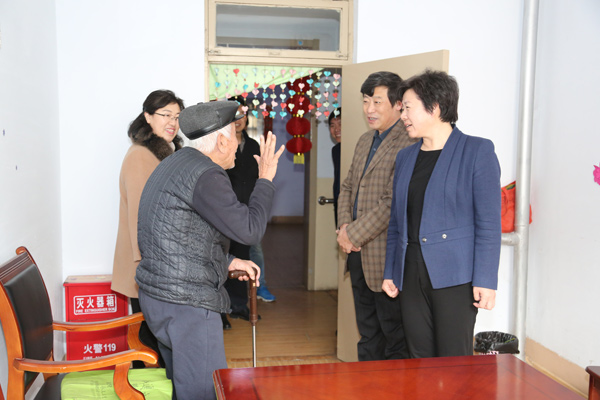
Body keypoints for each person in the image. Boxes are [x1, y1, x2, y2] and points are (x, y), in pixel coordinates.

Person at [136, 100, 284, 400]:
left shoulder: (177, 162)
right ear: (221, 141)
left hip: (160, 298)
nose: (237, 146)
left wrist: (228, 261)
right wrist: (266, 178)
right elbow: (249, 230)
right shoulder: (207, 174)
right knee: (203, 393)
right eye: (234, 137)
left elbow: (179, 234)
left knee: (185, 388)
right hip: (187, 304)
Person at [382, 70, 501, 358]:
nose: (402, 116)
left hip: (455, 276)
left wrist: (486, 280)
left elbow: (488, 224)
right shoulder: (405, 157)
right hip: (410, 273)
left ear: (434, 107)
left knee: (453, 359)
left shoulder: (477, 151)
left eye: (407, 108)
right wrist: (391, 271)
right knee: (418, 357)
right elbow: (397, 222)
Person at [336, 72, 415, 361]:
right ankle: (365, 383)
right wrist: (344, 228)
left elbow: (392, 203)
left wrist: (353, 235)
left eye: (377, 102)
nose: (369, 109)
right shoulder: (364, 140)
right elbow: (348, 187)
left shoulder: (409, 142)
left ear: (398, 104)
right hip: (357, 255)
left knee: (394, 337)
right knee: (368, 333)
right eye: (366, 101)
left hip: (387, 259)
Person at [111, 89, 184, 367]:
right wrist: (148, 264)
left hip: (158, 262)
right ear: (148, 117)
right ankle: (144, 388)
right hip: (146, 264)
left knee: (156, 339)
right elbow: (141, 217)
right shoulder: (140, 155)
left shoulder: (165, 152)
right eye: (165, 115)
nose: (172, 122)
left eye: (176, 116)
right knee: (148, 342)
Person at [223, 99, 276, 331]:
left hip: (246, 212)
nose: (238, 120)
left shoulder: (254, 145)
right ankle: (221, 311)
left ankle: (239, 306)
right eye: (234, 115)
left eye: (242, 114)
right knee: (222, 259)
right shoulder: (221, 144)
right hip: (224, 211)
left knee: (243, 257)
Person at [330, 108, 342, 227]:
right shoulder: (336, 150)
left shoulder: (359, 147)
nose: (336, 129)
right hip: (339, 205)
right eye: (332, 125)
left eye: (340, 124)